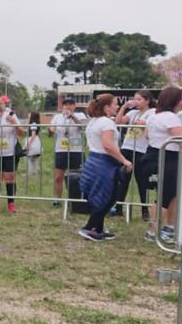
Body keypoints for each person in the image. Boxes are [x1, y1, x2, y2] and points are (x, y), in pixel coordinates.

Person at [78, 94, 132, 241]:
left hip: (94, 160)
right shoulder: (107, 123)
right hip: (104, 162)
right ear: (107, 107)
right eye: (115, 104)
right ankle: (91, 227)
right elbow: (108, 145)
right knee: (109, 195)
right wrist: (124, 160)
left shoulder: (94, 121)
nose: (118, 106)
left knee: (101, 195)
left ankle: (98, 228)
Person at [141, 86, 182, 243]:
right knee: (164, 198)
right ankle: (153, 231)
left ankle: (169, 227)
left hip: (154, 155)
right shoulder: (170, 117)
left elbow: (146, 135)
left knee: (171, 194)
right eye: (181, 98)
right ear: (174, 100)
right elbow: (181, 138)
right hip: (168, 158)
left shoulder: (154, 115)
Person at [115, 90, 154, 220]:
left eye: (139, 99)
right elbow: (118, 122)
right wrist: (124, 107)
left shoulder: (152, 113)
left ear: (147, 100)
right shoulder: (132, 113)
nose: (136, 102)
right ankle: (118, 208)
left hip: (141, 150)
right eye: (135, 99)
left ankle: (144, 210)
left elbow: (154, 127)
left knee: (141, 181)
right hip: (127, 148)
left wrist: (146, 124)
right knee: (123, 179)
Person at [49, 98, 87, 206]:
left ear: (74, 106)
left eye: (70, 104)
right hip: (61, 149)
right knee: (58, 177)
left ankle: (76, 199)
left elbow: (82, 127)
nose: (68, 107)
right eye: (65, 104)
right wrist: (51, 129)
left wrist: (72, 116)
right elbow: (50, 131)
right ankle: (57, 199)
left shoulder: (80, 115)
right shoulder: (57, 117)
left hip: (76, 149)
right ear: (62, 106)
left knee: (77, 176)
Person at [24, 112, 42, 181]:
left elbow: (33, 134)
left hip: (32, 141)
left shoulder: (33, 124)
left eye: (30, 113)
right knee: (34, 159)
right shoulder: (36, 123)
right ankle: (34, 172)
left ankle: (30, 173)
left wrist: (28, 145)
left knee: (28, 158)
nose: (28, 114)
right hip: (36, 141)